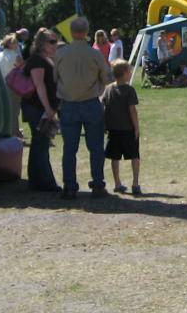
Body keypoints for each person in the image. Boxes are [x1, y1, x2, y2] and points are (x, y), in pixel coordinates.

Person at [54, 17, 113, 199]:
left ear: (71, 32)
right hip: (90, 103)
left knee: (69, 149)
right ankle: (97, 185)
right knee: (95, 147)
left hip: (68, 105)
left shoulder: (60, 54)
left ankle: (70, 186)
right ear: (87, 33)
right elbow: (107, 78)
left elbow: (55, 79)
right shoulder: (95, 54)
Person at [21, 28, 61, 192]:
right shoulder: (37, 61)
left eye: (55, 41)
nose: (55, 45)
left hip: (42, 108)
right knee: (41, 143)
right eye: (51, 41)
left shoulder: (47, 59)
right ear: (42, 43)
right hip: (37, 108)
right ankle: (45, 183)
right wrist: (48, 109)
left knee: (40, 144)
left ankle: (36, 182)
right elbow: (39, 86)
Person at [102, 59, 142, 195]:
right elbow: (132, 111)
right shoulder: (129, 90)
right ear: (125, 73)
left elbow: (104, 107)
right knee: (134, 156)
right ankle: (135, 183)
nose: (131, 73)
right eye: (129, 71)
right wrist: (136, 127)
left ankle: (117, 183)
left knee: (115, 157)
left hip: (113, 129)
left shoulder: (108, 89)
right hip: (128, 129)